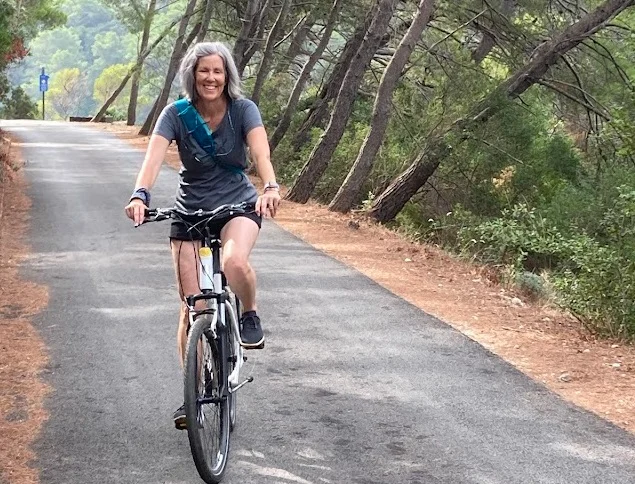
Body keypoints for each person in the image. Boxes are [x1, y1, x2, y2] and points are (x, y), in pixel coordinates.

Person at [124, 41, 280, 428]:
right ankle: (191, 396)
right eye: (203, 70)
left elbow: (260, 155)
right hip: (189, 211)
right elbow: (153, 159)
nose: (211, 77)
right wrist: (140, 194)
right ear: (191, 76)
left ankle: (249, 313)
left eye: (218, 71)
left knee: (233, 260)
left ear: (227, 76)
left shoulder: (244, 110)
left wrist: (271, 187)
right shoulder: (176, 114)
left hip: (237, 206)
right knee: (192, 307)